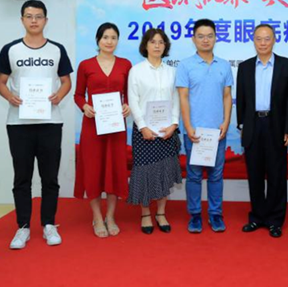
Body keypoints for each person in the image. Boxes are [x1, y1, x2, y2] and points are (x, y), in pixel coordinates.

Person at [0, 0, 73, 249]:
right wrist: (10, 97)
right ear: (22, 20)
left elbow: (66, 81)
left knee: (50, 177)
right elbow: (0, 82)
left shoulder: (57, 50)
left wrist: (59, 95)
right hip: (19, 123)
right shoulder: (11, 49)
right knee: (22, 177)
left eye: (38, 16)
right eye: (29, 16)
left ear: (45, 20)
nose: (34, 21)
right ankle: (23, 227)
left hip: (50, 121)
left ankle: (49, 224)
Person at [236, 24, 288, 238]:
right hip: (253, 125)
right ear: (253, 41)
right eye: (259, 39)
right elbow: (241, 99)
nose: (263, 43)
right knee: (254, 174)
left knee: (276, 174)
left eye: (267, 38)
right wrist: (242, 125)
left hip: (276, 125)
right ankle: (257, 217)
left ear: (274, 40)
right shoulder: (245, 67)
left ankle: (275, 219)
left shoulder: (287, 66)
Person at [73, 23, 131, 237]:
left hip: (116, 127)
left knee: (114, 169)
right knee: (94, 170)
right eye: (105, 37)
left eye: (113, 37)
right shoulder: (86, 65)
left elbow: (129, 95)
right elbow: (78, 95)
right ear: (98, 40)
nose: (109, 41)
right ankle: (97, 217)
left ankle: (111, 216)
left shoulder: (125, 64)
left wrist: (127, 106)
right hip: (92, 126)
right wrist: (84, 106)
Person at [176, 19, 234, 233]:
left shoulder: (224, 65)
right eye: (200, 36)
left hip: (217, 132)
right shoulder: (185, 65)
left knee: (216, 176)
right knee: (193, 176)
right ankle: (194, 215)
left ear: (216, 38)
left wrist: (226, 122)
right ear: (193, 39)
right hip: (194, 132)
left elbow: (227, 96)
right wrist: (188, 126)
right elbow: (183, 98)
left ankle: (215, 214)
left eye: (209, 36)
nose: (205, 40)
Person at [127, 28, 182, 234]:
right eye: (153, 42)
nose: (157, 45)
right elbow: (133, 100)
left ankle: (160, 212)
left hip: (167, 131)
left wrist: (174, 124)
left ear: (165, 46)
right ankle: (145, 214)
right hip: (145, 132)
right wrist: (142, 126)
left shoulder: (172, 72)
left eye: (161, 42)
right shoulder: (137, 71)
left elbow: (176, 99)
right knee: (145, 173)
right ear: (145, 45)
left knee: (164, 172)